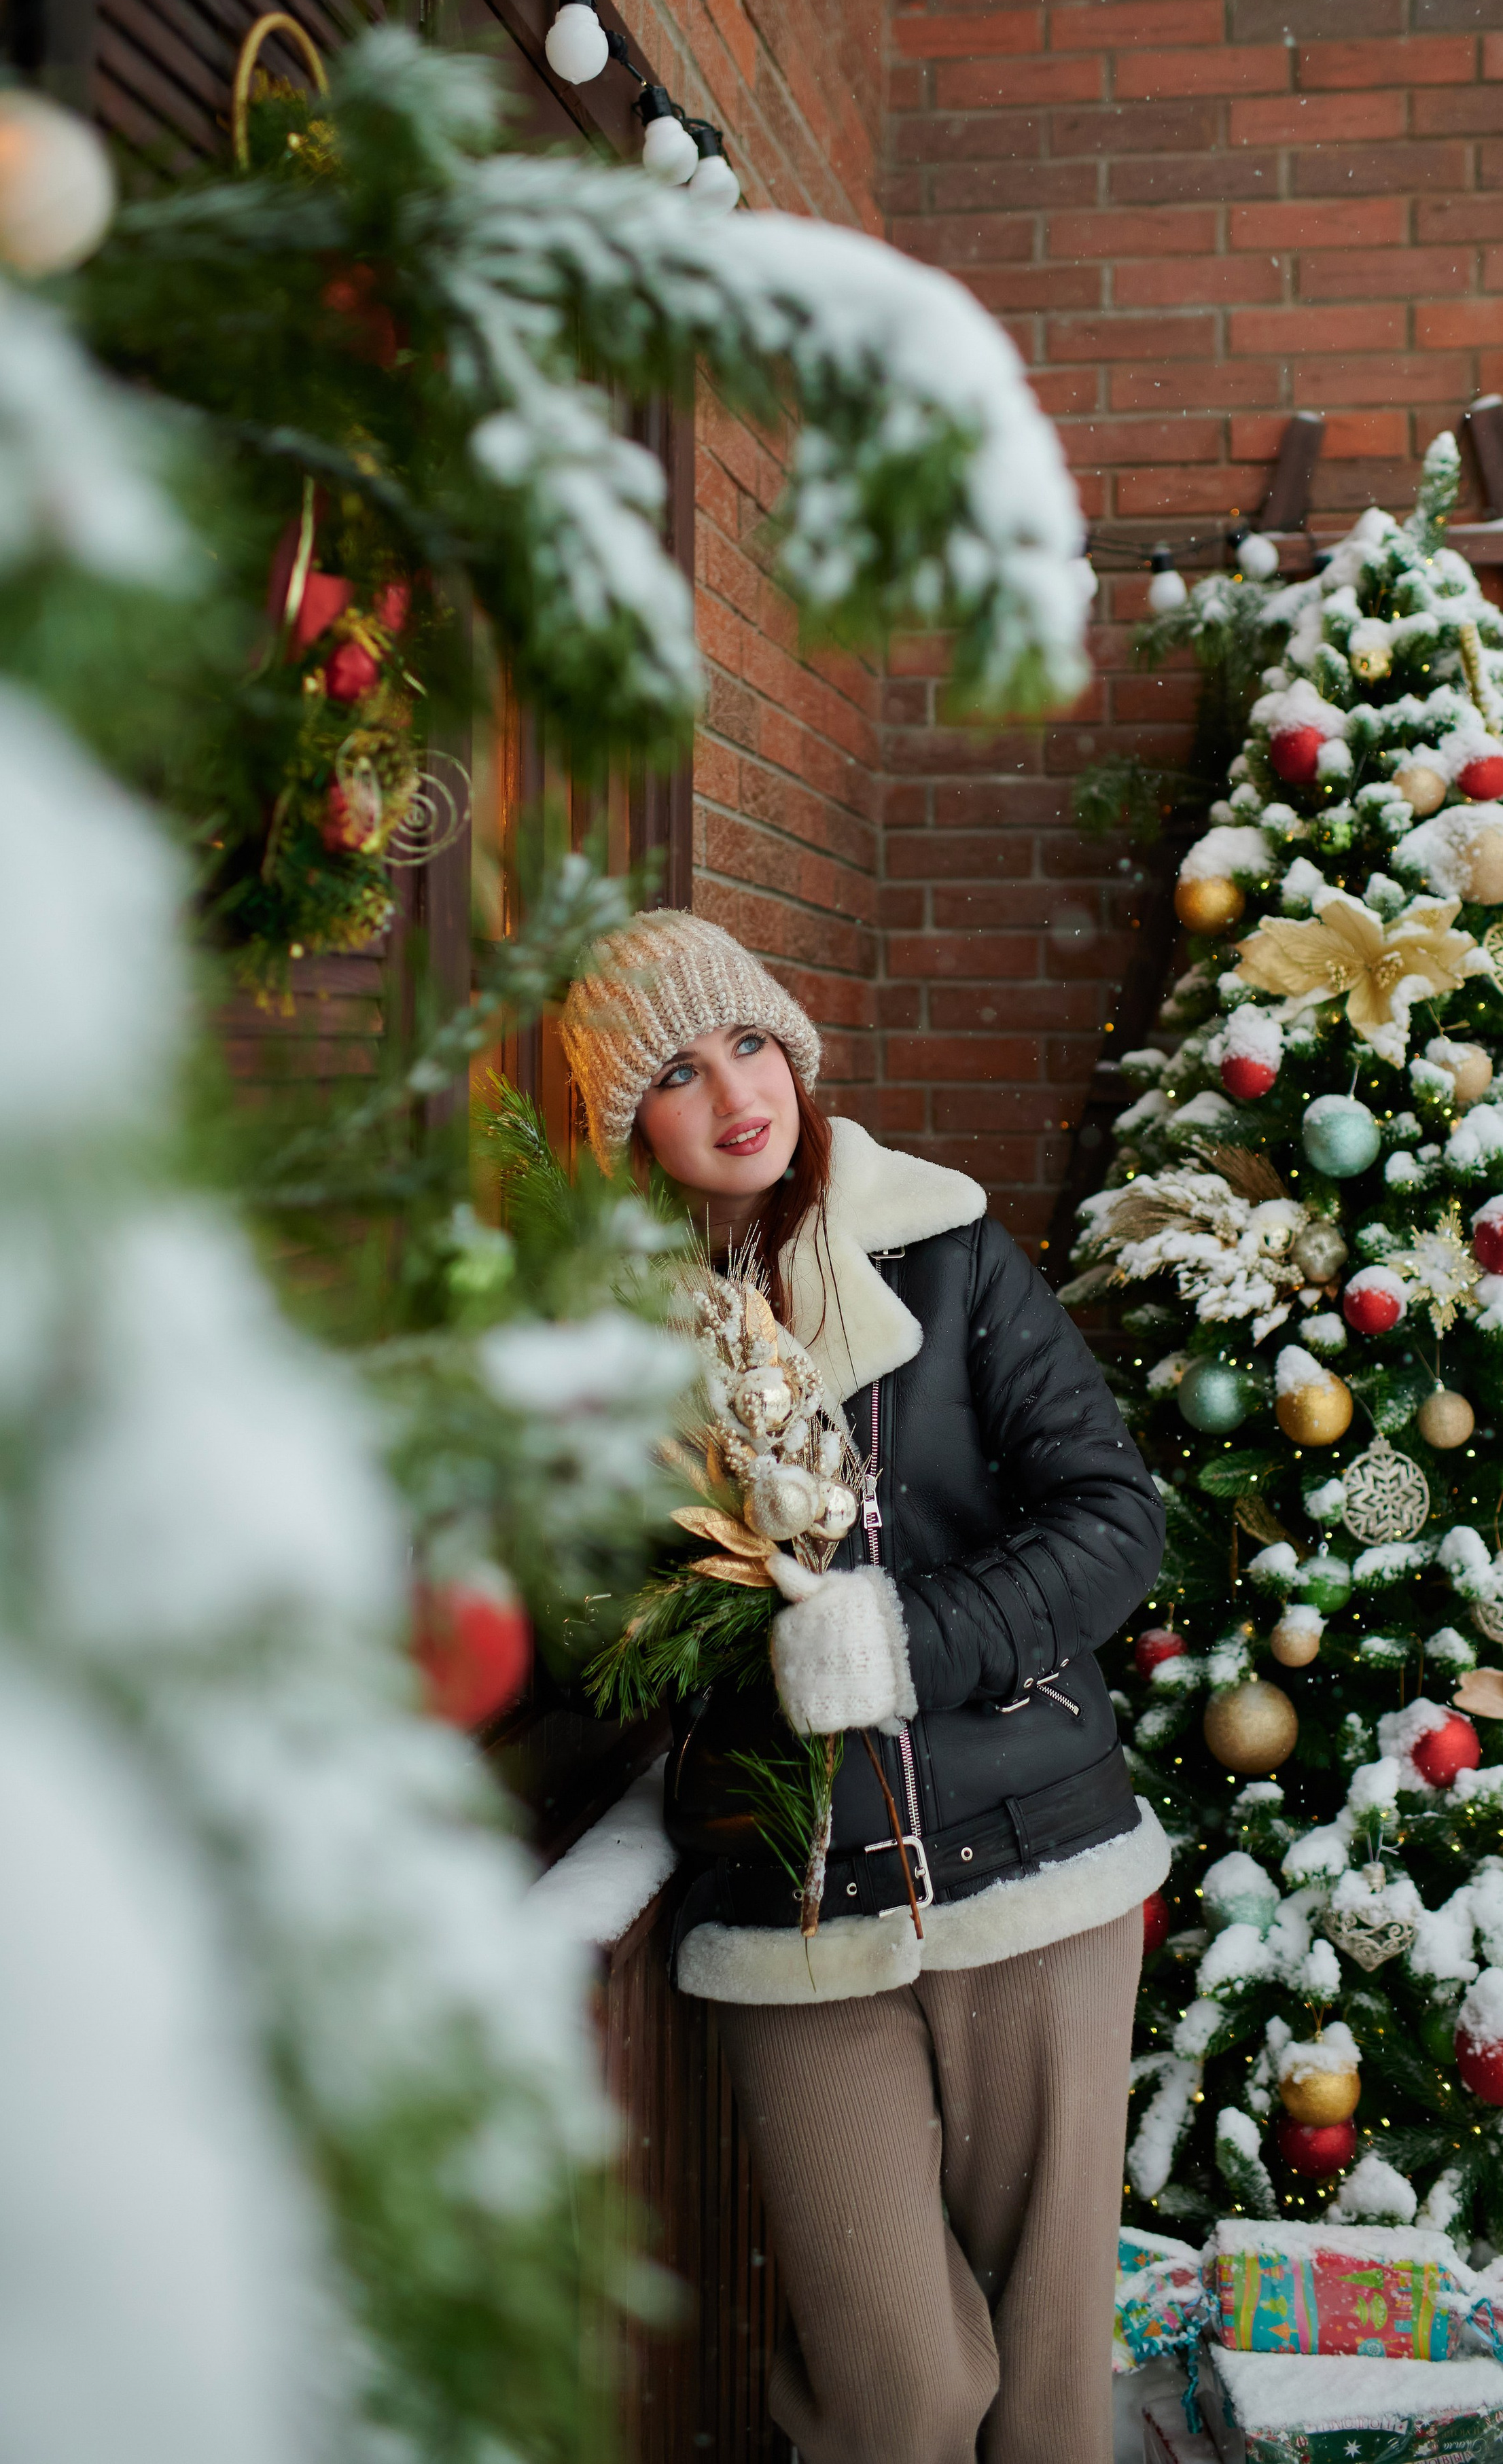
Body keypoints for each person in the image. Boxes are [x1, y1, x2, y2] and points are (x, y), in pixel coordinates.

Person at [561, 910, 1168, 2464]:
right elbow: (593, 1620)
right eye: (676, 1074)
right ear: (627, 1126)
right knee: (891, 2394)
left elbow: (1112, 1524)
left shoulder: (945, 1249)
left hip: (1034, 1854)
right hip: (794, 1902)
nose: (732, 1093)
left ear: (792, 1051)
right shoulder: (604, 1352)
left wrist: (903, 1635)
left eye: (748, 1043)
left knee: (1044, 2387)